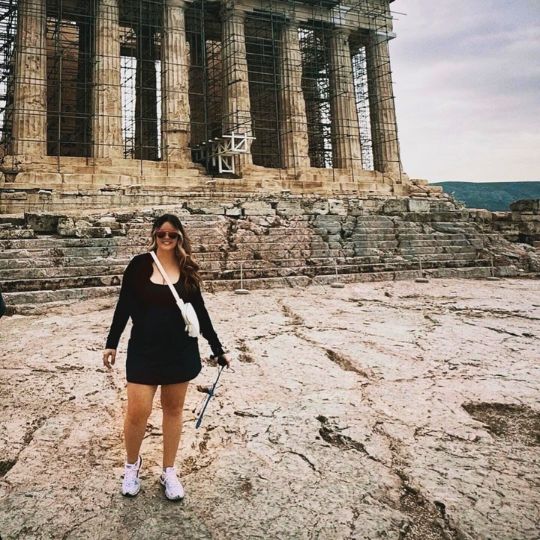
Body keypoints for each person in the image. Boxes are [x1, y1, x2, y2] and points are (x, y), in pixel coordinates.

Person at [102, 213, 231, 501]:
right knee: (138, 411)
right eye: (162, 234)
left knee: (173, 412)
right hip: (144, 351)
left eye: (173, 235)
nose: (167, 239)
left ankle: (169, 471)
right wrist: (112, 342)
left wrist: (217, 348)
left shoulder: (187, 271)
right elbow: (123, 305)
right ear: (154, 235)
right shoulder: (139, 265)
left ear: (180, 237)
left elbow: (201, 314)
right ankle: (131, 466)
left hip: (179, 351)